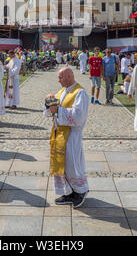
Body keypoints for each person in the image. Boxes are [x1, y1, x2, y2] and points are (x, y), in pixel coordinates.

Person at [44, 67, 89, 209]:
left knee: (72, 164)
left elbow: (78, 116)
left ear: (69, 76)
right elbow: (51, 112)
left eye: (60, 77)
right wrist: (49, 103)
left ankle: (80, 192)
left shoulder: (80, 92)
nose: (58, 80)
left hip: (71, 135)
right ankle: (68, 192)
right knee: (62, 166)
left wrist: (58, 110)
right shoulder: (62, 91)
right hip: (59, 134)